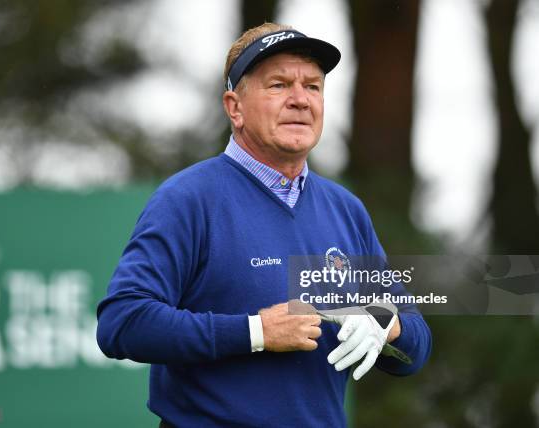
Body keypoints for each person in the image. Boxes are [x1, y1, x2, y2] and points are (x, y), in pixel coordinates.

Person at [96, 22, 431, 428]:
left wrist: (386, 324)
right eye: (278, 85)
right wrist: (256, 332)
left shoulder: (345, 209)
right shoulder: (188, 199)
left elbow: (416, 342)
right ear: (234, 107)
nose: (300, 100)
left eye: (313, 86)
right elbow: (123, 323)